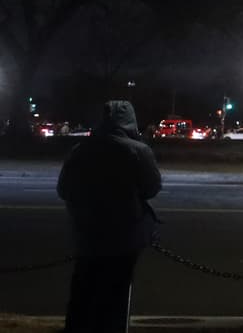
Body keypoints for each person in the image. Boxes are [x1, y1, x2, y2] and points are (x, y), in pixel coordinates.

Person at [57, 100, 162, 333]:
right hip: (124, 237)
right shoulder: (138, 151)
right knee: (116, 296)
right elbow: (152, 188)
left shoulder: (80, 150)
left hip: (86, 234)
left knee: (82, 293)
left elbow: (63, 189)